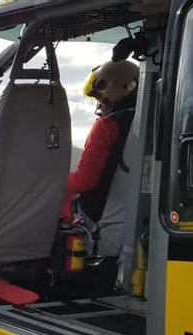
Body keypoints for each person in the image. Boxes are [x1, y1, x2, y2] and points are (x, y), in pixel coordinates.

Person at [62, 59, 139, 225]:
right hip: (140, 218)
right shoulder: (154, 121)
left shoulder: (106, 126)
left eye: (99, 98)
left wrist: (58, 181)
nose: (99, 105)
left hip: (103, 222)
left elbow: (84, 181)